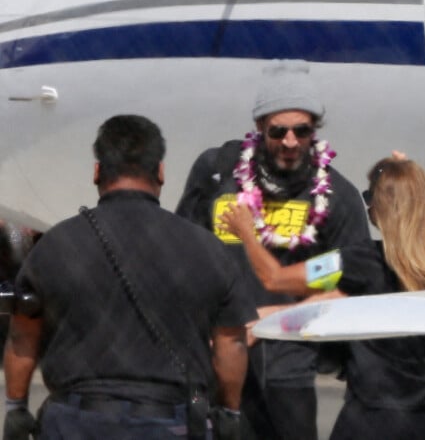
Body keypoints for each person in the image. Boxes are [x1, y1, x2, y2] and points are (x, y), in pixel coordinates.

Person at [3, 115, 256, 440]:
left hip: (75, 423)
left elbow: (23, 336)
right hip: (172, 423)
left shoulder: (55, 246)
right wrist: (230, 413)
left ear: (97, 172)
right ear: (161, 172)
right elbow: (231, 343)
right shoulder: (208, 249)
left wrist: (16, 407)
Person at [175, 60, 372, 440]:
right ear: (260, 128)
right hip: (214, 362)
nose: (291, 141)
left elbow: (351, 290)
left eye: (303, 130)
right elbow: (181, 256)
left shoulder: (337, 198)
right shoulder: (217, 175)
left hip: (289, 372)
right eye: (278, 131)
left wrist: (273, 317)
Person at [220, 157, 425, 440]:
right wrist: (272, 315)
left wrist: (247, 232)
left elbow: (275, 278)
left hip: (369, 421)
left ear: (381, 210)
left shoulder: (360, 261)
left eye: (371, 198)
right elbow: (342, 297)